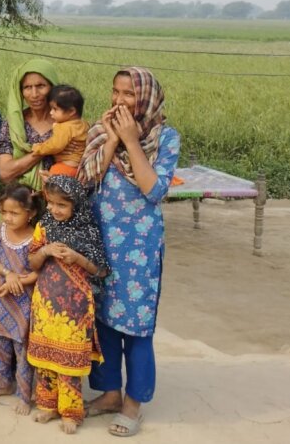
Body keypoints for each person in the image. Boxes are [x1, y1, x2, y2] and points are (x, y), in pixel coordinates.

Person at [79, 67, 180, 437]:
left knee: (136, 326)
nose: (120, 101)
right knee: (103, 320)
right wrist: (111, 140)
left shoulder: (165, 138)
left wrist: (132, 142)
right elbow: (85, 182)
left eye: (129, 94)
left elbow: (155, 190)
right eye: (116, 92)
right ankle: (109, 393)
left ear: (147, 99)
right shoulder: (99, 130)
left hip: (140, 248)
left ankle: (133, 403)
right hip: (101, 240)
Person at [28, 176, 110, 434]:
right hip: (45, 304)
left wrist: (77, 257)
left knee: (70, 361)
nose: (54, 209)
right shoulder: (44, 225)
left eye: (61, 205)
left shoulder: (88, 229)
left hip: (75, 309)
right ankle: (48, 404)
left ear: (76, 204)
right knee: (45, 358)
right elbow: (32, 262)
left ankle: (71, 411)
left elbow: (101, 270)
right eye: (51, 203)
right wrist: (45, 251)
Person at [0, 185, 42, 415]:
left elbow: (40, 271)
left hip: (23, 301)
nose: (8, 217)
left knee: (22, 348)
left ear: (31, 213)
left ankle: (25, 396)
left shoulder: (37, 236)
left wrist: (20, 281)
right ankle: (1, 384)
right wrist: (9, 274)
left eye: (14, 213)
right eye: (4, 212)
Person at [0, 59, 61, 188]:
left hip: (59, 202)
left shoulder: (66, 122)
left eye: (40, 86)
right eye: (27, 87)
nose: (34, 94)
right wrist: (43, 150)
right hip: (22, 202)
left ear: (53, 87)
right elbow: (5, 173)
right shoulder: (14, 124)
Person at [30, 85, 89, 178]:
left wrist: (38, 148)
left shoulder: (65, 127)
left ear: (71, 111)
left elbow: (55, 146)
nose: (51, 112)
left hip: (64, 167)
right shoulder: (84, 124)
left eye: (55, 109)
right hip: (78, 168)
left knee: (51, 187)